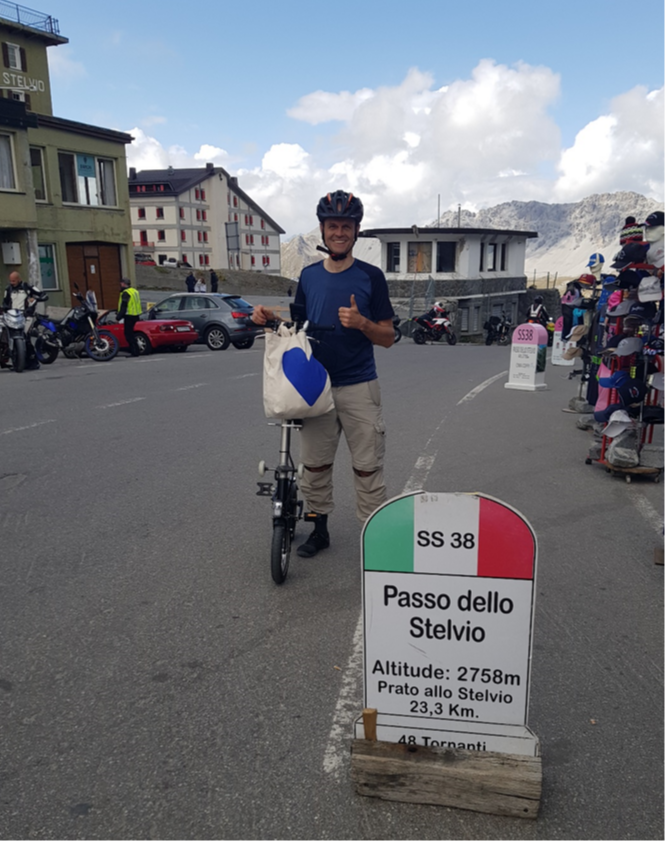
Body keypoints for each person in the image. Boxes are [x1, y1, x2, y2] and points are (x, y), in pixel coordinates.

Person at [252, 190, 395, 557]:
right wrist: (272, 320)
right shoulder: (310, 276)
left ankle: (375, 537)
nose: (339, 232)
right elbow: (299, 325)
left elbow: (389, 337)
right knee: (315, 467)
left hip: (359, 384)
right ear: (322, 229)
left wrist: (362, 322)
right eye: (333, 226)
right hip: (315, 386)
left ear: (356, 231)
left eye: (346, 227)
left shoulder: (371, 277)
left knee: (367, 467)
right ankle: (319, 529)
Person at [2, 270, 46, 370]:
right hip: (12, 315)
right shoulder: (8, 289)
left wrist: (35, 299)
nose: (12, 283)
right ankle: (16, 360)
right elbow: (5, 303)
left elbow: (43, 295)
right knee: (9, 336)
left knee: (25, 337)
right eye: (10, 281)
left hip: (26, 316)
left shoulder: (28, 287)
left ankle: (33, 362)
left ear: (19, 279)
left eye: (13, 281)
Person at [116, 278, 142, 357]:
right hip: (136, 315)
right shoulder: (134, 291)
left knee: (128, 334)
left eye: (121, 283)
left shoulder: (126, 293)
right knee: (132, 334)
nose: (120, 285)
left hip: (129, 315)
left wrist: (118, 317)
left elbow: (124, 306)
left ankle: (134, 351)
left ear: (124, 284)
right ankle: (136, 350)